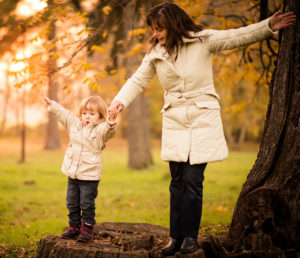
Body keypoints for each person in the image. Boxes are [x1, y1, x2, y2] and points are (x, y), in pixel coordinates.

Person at [108, 2, 296, 255]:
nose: (155, 33)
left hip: (202, 118)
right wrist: (119, 101)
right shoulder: (156, 52)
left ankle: (190, 237)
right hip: (175, 120)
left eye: (159, 28)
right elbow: (138, 79)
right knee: (177, 182)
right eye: (153, 29)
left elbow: (235, 36)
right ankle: (175, 237)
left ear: (173, 24)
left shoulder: (202, 40)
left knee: (193, 181)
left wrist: (268, 26)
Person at [44, 95, 117, 242]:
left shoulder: (100, 130)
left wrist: (111, 121)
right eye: (84, 113)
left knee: (86, 203)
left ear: (101, 116)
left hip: (89, 176)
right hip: (73, 173)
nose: (87, 117)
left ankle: (87, 229)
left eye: (92, 114)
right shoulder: (74, 125)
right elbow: (64, 114)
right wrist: (53, 105)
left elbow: (109, 131)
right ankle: (74, 226)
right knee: (71, 201)